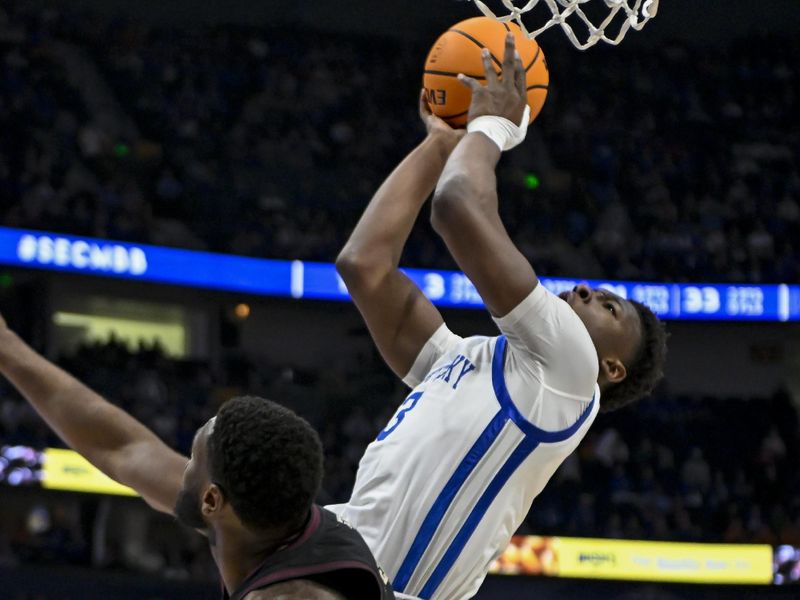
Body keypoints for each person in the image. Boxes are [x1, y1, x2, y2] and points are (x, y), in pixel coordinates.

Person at [332, 34, 668, 599]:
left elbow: (456, 206)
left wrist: (496, 128)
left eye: (610, 306)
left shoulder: (570, 375)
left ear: (610, 368)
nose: (586, 288)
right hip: (332, 571)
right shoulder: (465, 359)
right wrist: (440, 145)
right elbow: (363, 265)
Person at [0, 315, 393, 600]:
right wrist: (8, 349)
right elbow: (122, 448)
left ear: (211, 500)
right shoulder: (266, 524)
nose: (179, 467)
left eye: (190, 459)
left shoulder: (292, 596)